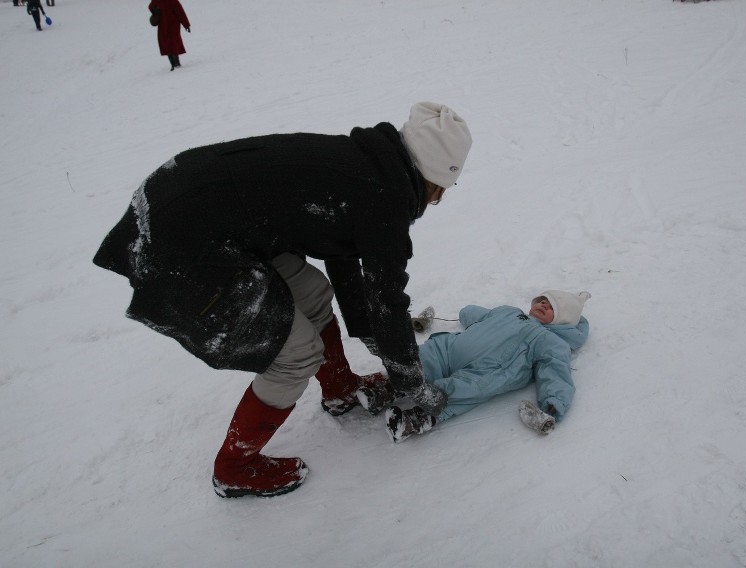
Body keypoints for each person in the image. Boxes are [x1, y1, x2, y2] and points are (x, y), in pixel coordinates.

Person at [93, 102, 472, 498]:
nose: (439, 198)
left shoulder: (371, 166)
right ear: (435, 178)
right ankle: (235, 467)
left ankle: (340, 388)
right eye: (445, 187)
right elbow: (386, 299)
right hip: (182, 245)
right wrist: (410, 383)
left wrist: (376, 340)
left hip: (197, 211)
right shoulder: (384, 198)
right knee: (295, 354)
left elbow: (346, 258)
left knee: (312, 292)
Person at [358, 290, 591, 442]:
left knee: (463, 389)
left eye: (551, 307)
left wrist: (555, 401)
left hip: (491, 370)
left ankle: (414, 420)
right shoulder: (509, 311)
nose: (542, 304)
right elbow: (479, 315)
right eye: (542, 299)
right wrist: (466, 312)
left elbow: (555, 371)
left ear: (562, 319)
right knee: (424, 357)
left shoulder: (551, 341)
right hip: (452, 349)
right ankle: (387, 390)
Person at [148, 0, 190, 71]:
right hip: (173, 25)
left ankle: (173, 64)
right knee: (173, 43)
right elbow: (180, 12)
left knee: (166, 44)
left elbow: (150, 7)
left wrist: (156, 11)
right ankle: (176, 63)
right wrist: (186, 25)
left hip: (163, 25)